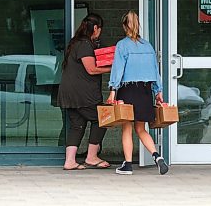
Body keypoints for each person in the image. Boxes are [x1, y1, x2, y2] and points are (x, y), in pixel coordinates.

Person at [108, 10, 169, 175]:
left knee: (127, 128)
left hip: (127, 90)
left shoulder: (122, 45)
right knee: (141, 129)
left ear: (124, 26)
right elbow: (155, 71)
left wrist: (113, 90)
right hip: (144, 91)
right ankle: (157, 157)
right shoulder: (148, 46)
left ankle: (127, 165)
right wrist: (158, 91)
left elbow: (118, 70)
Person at [58, 13, 112, 170]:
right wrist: (112, 68)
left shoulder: (76, 43)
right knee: (103, 118)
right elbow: (91, 69)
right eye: (100, 29)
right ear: (95, 28)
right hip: (81, 94)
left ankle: (70, 161)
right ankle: (92, 157)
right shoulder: (84, 44)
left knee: (77, 125)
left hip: (71, 94)